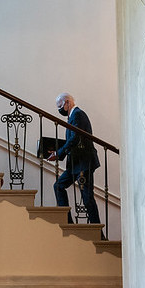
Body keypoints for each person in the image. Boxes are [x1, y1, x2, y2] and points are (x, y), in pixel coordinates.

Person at [46, 93, 101, 225]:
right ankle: (67, 222)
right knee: (59, 186)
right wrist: (59, 153)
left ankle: (98, 231)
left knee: (87, 197)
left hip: (83, 162)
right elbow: (72, 141)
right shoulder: (73, 116)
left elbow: (75, 138)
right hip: (75, 163)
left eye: (60, 106)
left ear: (67, 102)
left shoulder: (78, 114)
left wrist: (59, 153)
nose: (59, 110)